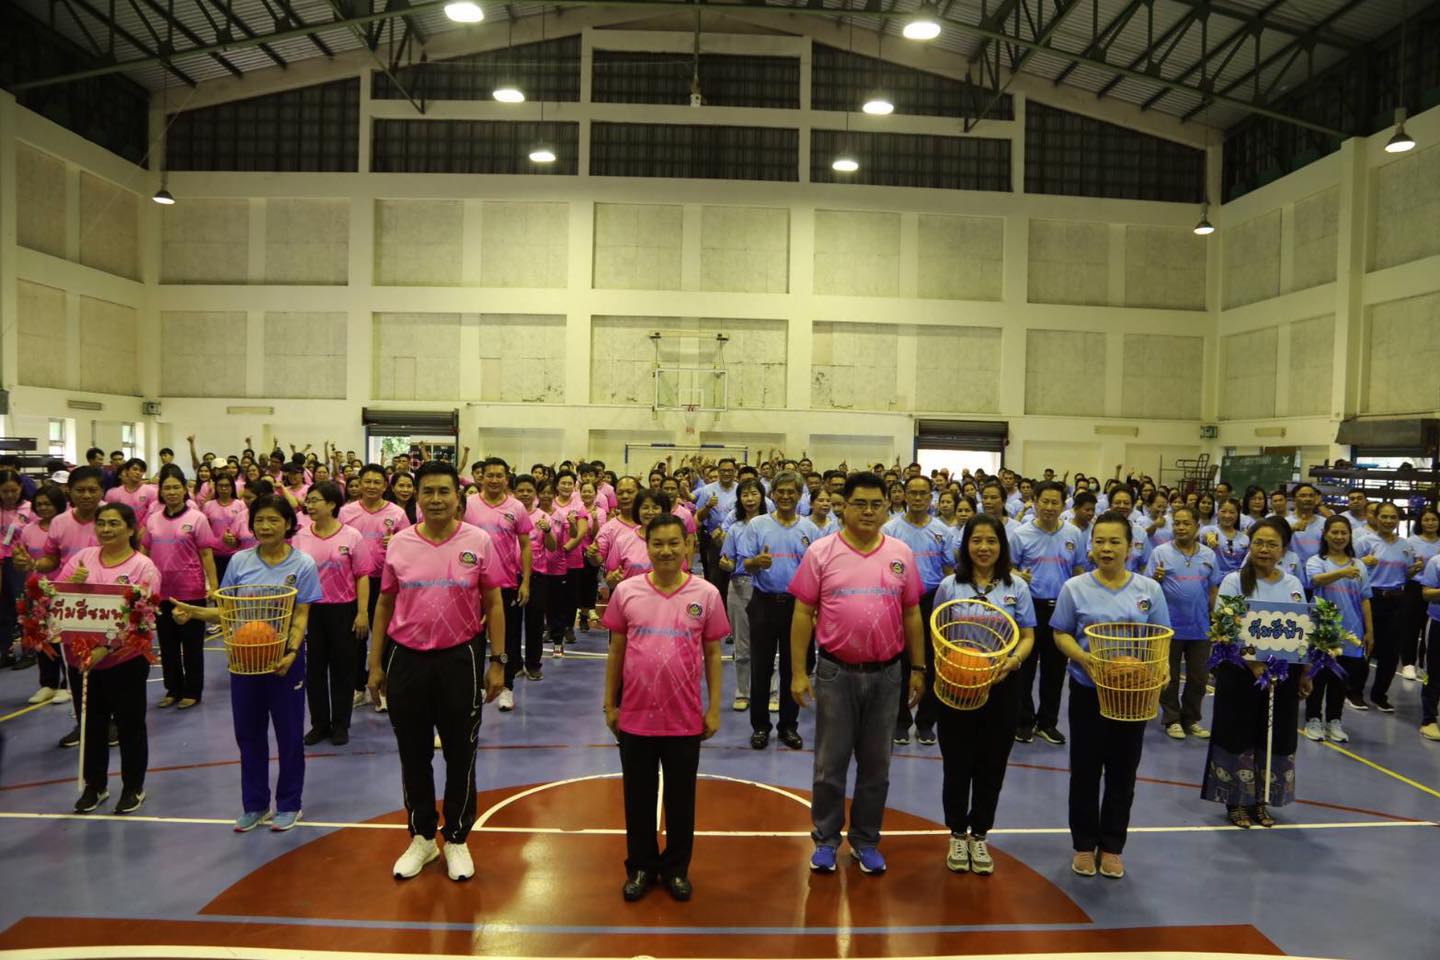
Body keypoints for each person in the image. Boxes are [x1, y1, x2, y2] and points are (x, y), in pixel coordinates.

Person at [366, 461, 506, 882]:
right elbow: (385, 603)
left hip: (460, 660)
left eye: (444, 491)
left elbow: (494, 602)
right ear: (417, 497)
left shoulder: (478, 541)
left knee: (461, 753)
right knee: (413, 754)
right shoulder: (400, 543)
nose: (436, 499)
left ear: (458, 497)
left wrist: (497, 661)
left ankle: (457, 839)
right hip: (406, 659)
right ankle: (423, 838)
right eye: (428, 491)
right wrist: (375, 663)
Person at [788, 472, 925, 875]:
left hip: (887, 676)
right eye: (860, 504)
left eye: (876, 504)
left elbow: (912, 613)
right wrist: (798, 672)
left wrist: (919, 668)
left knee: (876, 765)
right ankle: (826, 839)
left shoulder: (901, 553)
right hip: (835, 673)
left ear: (887, 507)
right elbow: (802, 613)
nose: (868, 511)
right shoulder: (821, 552)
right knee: (829, 764)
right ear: (843, 507)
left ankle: (866, 840)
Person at [171, 494, 320, 832]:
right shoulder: (239, 562)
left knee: (289, 735)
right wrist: (193, 613)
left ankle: (289, 804)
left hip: (284, 661)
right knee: (249, 734)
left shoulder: (303, 565)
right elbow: (228, 611)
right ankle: (254, 804)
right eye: (259, 520)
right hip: (245, 659)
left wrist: (291, 652)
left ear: (288, 524)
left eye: (273, 520)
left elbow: (301, 616)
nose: (265, 526)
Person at [603, 514, 727, 902]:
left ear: (688, 546)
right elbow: (616, 650)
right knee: (637, 797)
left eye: (674, 543)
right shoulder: (627, 591)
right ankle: (641, 866)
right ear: (647, 546)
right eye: (658, 543)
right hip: (635, 716)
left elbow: (713, 654)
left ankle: (676, 868)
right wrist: (609, 704)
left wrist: (714, 708)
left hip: (684, 718)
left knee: (681, 799)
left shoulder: (706, 594)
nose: (666, 551)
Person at [1050, 510, 1171, 880]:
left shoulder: (1149, 590)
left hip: (1132, 696)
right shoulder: (1075, 588)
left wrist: (1162, 668)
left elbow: (1161, 637)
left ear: (1130, 547)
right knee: (1085, 772)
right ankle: (1084, 845)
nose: (1106, 548)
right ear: (1090, 546)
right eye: (1099, 541)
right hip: (1089, 692)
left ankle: (1113, 846)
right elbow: (1061, 633)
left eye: (1114, 541)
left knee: (1123, 772)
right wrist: (1085, 658)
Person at [933, 514, 1035, 875]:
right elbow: (938, 632)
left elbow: (1027, 636)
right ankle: (956, 833)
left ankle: (979, 834)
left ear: (1002, 546)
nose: (984, 547)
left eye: (991, 541)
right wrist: (952, 665)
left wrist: (1013, 661)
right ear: (965, 545)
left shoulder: (1016, 587)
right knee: (957, 763)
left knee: (992, 764)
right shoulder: (949, 586)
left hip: (1002, 686)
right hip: (957, 686)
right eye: (976, 540)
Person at [1201, 518, 1312, 829]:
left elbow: (1301, 629)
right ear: (1249, 546)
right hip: (1239, 673)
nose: (1264, 549)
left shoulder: (1292, 584)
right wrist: (1253, 664)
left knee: (1274, 734)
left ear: (1284, 550)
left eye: (1272, 544)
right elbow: (1225, 625)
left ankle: (1261, 800)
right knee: (1237, 733)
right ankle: (1236, 801)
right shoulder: (1233, 581)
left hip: (1281, 675)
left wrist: (1305, 673)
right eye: (1258, 543)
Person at [60, 502, 162, 815]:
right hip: (82, 660)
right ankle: (95, 785)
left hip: (124, 660)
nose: (106, 529)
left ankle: (133, 787)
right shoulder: (82, 559)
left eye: (114, 523)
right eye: (102, 523)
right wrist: (74, 583)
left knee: (130, 726)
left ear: (130, 529)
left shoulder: (144, 567)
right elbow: (59, 599)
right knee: (91, 724)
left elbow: (141, 617)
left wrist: (105, 648)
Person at [740, 471, 821, 751]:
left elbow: (817, 572)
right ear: (772, 494)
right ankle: (760, 726)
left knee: (793, 667)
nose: (786, 496)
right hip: (763, 603)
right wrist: (757, 562)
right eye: (781, 491)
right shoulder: (757, 525)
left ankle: (788, 726)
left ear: (799, 496)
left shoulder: (810, 530)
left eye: (791, 492)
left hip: (798, 608)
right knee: (761, 668)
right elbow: (744, 564)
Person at [29, 466, 105, 748]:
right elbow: (51, 559)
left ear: (102, 491)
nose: (86, 495)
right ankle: (83, 722)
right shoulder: (60, 523)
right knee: (76, 665)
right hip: (69, 604)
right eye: (80, 490)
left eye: (92, 490)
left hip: (105, 603)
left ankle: (110, 722)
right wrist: (34, 564)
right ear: (69, 492)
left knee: (105, 663)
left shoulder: (111, 516)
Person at [294, 482, 371, 746]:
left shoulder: (352, 536)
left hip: (343, 610)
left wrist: (362, 612)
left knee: (342, 669)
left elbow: (362, 576)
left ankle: (340, 724)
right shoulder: (301, 536)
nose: (309, 505)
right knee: (314, 670)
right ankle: (319, 724)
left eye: (315, 500)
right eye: (308, 500)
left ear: (331, 504)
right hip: (311, 610)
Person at [882, 475, 956, 747]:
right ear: (903, 495)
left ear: (930, 497)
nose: (917, 498)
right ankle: (900, 721)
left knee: (932, 663)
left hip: (932, 600)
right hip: (898, 601)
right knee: (900, 663)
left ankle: (926, 722)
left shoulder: (942, 531)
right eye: (912, 492)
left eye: (922, 493)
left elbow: (949, 571)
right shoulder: (890, 529)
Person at [1009, 481, 1085, 747]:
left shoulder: (1074, 534)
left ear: (1063, 505)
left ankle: (1047, 723)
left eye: (1055, 502)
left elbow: (1079, 571)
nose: (1050, 507)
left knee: (1055, 670)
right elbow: (1008, 567)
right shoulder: (1020, 534)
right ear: (1035, 502)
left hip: (1061, 609)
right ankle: (1024, 721)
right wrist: (1017, 575)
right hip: (1029, 608)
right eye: (1045, 501)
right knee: (1025, 668)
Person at [463, 458, 534, 711]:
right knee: (473, 638)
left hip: (505, 583)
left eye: (499, 476)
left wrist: (526, 581)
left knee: (509, 638)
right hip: (471, 585)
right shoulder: (468, 504)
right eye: (489, 475)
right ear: (481, 477)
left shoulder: (517, 507)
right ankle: (475, 687)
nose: (494, 480)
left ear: (507, 478)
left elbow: (526, 546)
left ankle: (507, 687)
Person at [145, 468, 218, 710]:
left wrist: (213, 586)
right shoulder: (153, 519)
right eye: (167, 487)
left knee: (192, 645)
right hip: (161, 592)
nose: (172, 492)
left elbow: (206, 554)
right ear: (161, 491)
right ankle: (172, 689)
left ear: (185, 489)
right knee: (168, 645)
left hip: (191, 591)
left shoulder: (197, 518)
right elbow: (144, 552)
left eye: (176, 487)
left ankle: (192, 691)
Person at [339, 465, 410, 709]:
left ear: (385, 486)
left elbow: (412, 544)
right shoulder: (346, 512)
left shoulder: (397, 513)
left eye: (376, 482)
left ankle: (383, 688)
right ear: (359, 484)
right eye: (367, 481)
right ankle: (358, 686)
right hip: (355, 582)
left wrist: (397, 541)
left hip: (386, 582)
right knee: (356, 637)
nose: (371, 486)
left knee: (387, 636)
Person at [1146, 506, 1219, 740]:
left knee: (1198, 677)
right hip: (1168, 626)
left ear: (1197, 526)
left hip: (1200, 626)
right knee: (1170, 676)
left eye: (1186, 523)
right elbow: (1148, 588)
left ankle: (1191, 719)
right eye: (1176, 523)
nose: (1180, 527)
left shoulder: (1209, 555)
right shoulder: (1160, 552)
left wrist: (1216, 618)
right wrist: (1155, 579)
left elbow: (1213, 589)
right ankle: (1172, 719)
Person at [1304, 516, 1371, 744]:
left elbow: (1365, 599)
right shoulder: (1317, 561)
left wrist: (1369, 631)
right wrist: (1342, 572)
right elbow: (1315, 581)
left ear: (1350, 536)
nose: (1339, 537)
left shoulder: (1359, 565)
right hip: (1321, 632)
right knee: (1318, 678)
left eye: (1344, 533)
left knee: (1340, 680)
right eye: (1335, 532)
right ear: (1325, 534)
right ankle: (1313, 719)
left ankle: (1334, 721)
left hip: (1350, 632)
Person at [15, 486, 72, 705]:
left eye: (48, 503)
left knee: (63, 638)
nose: (43, 508)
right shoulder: (28, 530)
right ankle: (48, 683)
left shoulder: (65, 526)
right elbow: (23, 560)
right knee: (41, 637)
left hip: (62, 590)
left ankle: (67, 684)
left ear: (58, 503)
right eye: (39, 504)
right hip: (36, 590)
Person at [1356, 502, 1413, 713]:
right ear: (1375, 518)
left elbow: (1406, 573)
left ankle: (1380, 695)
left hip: (1397, 601)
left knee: (1391, 652)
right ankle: (1354, 692)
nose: (1389, 521)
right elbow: (1350, 566)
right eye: (1384, 516)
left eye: (1393, 517)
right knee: (1365, 647)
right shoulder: (1364, 542)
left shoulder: (1406, 545)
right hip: (1371, 599)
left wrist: (1414, 570)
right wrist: (1362, 561)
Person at [718, 478, 765, 712]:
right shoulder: (735, 528)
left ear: (762, 497)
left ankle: (770, 692)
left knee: (767, 643)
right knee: (742, 644)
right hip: (738, 586)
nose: (749, 499)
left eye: (754, 493)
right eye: (745, 494)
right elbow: (727, 560)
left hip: (765, 587)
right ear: (739, 499)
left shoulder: (771, 525)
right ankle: (742, 692)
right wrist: (726, 565)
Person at [0, 470, 34, 670]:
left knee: (22, 606)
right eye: (5, 491)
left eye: (13, 490)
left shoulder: (29, 509)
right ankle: (5, 651)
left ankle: (29, 651)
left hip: (19, 563)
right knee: (3, 609)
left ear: (21, 488)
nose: (10, 495)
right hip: (1, 563)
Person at [1404, 506, 1440, 684]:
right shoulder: (1411, 542)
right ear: (1420, 522)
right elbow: (1404, 569)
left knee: (1430, 629)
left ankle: (1423, 665)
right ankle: (1408, 663)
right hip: (1415, 588)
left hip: (1436, 591)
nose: (1430, 523)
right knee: (1412, 626)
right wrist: (1415, 568)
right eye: (1426, 519)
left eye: (1434, 519)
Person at [1419, 550, 1440, 741]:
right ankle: (1429, 720)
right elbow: (1426, 593)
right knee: (1434, 672)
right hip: (1437, 623)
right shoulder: (1436, 561)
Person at [1200, 498, 1249, 576]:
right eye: (1223, 511)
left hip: (1236, 579)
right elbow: (1204, 538)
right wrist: (1209, 539)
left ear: (1238, 514)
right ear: (1217, 512)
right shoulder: (1208, 530)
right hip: (1213, 578)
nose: (1227, 516)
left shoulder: (1245, 538)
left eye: (1232, 512)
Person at [104, 459, 159, 524]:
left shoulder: (151, 492)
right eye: (135, 469)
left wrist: (143, 526)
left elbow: (153, 513)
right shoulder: (113, 493)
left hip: (144, 528)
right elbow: (108, 514)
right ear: (127, 471)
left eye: (141, 471)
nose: (138, 473)